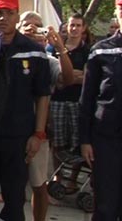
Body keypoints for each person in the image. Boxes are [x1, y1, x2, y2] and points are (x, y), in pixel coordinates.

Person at [0, 0, 51, 221]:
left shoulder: (34, 50)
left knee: (14, 201)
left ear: (17, 16)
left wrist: (38, 134)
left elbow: (42, 96)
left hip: (18, 137)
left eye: (9, 13)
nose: (3, 18)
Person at [80, 0, 122, 220]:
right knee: (105, 205)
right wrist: (84, 140)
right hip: (106, 139)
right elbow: (87, 98)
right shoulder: (100, 50)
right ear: (116, 11)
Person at [18, 11, 74, 221]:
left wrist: (60, 48)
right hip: (9, 129)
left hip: (38, 132)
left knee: (38, 184)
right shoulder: (5, 52)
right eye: (27, 25)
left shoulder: (48, 60)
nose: (32, 29)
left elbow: (66, 79)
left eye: (38, 26)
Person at [49, 13, 89, 188]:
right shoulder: (55, 48)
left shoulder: (88, 51)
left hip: (77, 101)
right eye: (72, 25)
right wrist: (73, 75)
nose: (74, 29)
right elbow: (57, 77)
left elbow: (86, 77)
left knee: (76, 144)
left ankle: (72, 180)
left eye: (78, 25)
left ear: (84, 28)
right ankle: (58, 178)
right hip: (57, 100)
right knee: (57, 142)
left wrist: (69, 76)